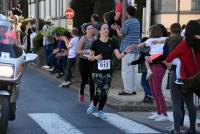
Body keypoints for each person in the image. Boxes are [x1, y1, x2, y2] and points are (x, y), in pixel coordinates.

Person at [86, 23, 129, 119]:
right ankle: (93, 104)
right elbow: (89, 57)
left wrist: (125, 52)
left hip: (108, 71)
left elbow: (118, 56)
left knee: (105, 91)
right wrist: (96, 57)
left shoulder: (112, 42)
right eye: (104, 28)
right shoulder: (95, 43)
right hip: (97, 71)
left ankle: (100, 110)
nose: (106, 30)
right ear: (100, 31)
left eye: (107, 28)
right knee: (99, 90)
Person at [164, 20, 200, 134]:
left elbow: (169, 57)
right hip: (192, 79)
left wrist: (178, 59)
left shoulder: (184, 44)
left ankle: (176, 130)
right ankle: (193, 129)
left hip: (179, 77)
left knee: (177, 104)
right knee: (191, 105)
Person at [128, 24, 169, 122]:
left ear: (152, 32)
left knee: (157, 90)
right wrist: (135, 46)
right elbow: (140, 46)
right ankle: (158, 111)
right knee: (154, 90)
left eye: (149, 31)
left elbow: (140, 46)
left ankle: (164, 113)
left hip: (158, 66)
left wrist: (134, 46)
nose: (149, 33)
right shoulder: (154, 40)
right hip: (152, 65)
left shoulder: (158, 40)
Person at [112, 5, 140, 95]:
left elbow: (121, 35)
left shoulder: (128, 22)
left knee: (127, 70)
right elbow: (127, 31)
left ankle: (127, 90)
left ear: (127, 12)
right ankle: (133, 89)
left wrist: (116, 29)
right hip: (135, 49)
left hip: (127, 50)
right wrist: (119, 28)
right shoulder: (136, 21)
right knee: (134, 70)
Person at [128, 37, 153, 103]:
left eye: (141, 43)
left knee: (143, 83)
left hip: (146, 70)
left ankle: (149, 96)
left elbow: (139, 60)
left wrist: (131, 63)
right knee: (147, 84)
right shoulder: (150, 50)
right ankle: (148, 97)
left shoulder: (144, 51)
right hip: (150, 69)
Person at [77, 23, 96, 103]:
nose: (91, 30)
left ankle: (92, 100)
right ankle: (81, 92)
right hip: (83, 61)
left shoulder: (95, 39)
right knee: (84, 80)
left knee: (92, 81)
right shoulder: (83, 39)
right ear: (86, 30)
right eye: (89, 29)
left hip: (92, 61)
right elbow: (78, 51)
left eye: (92, 28)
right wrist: (86, 51)